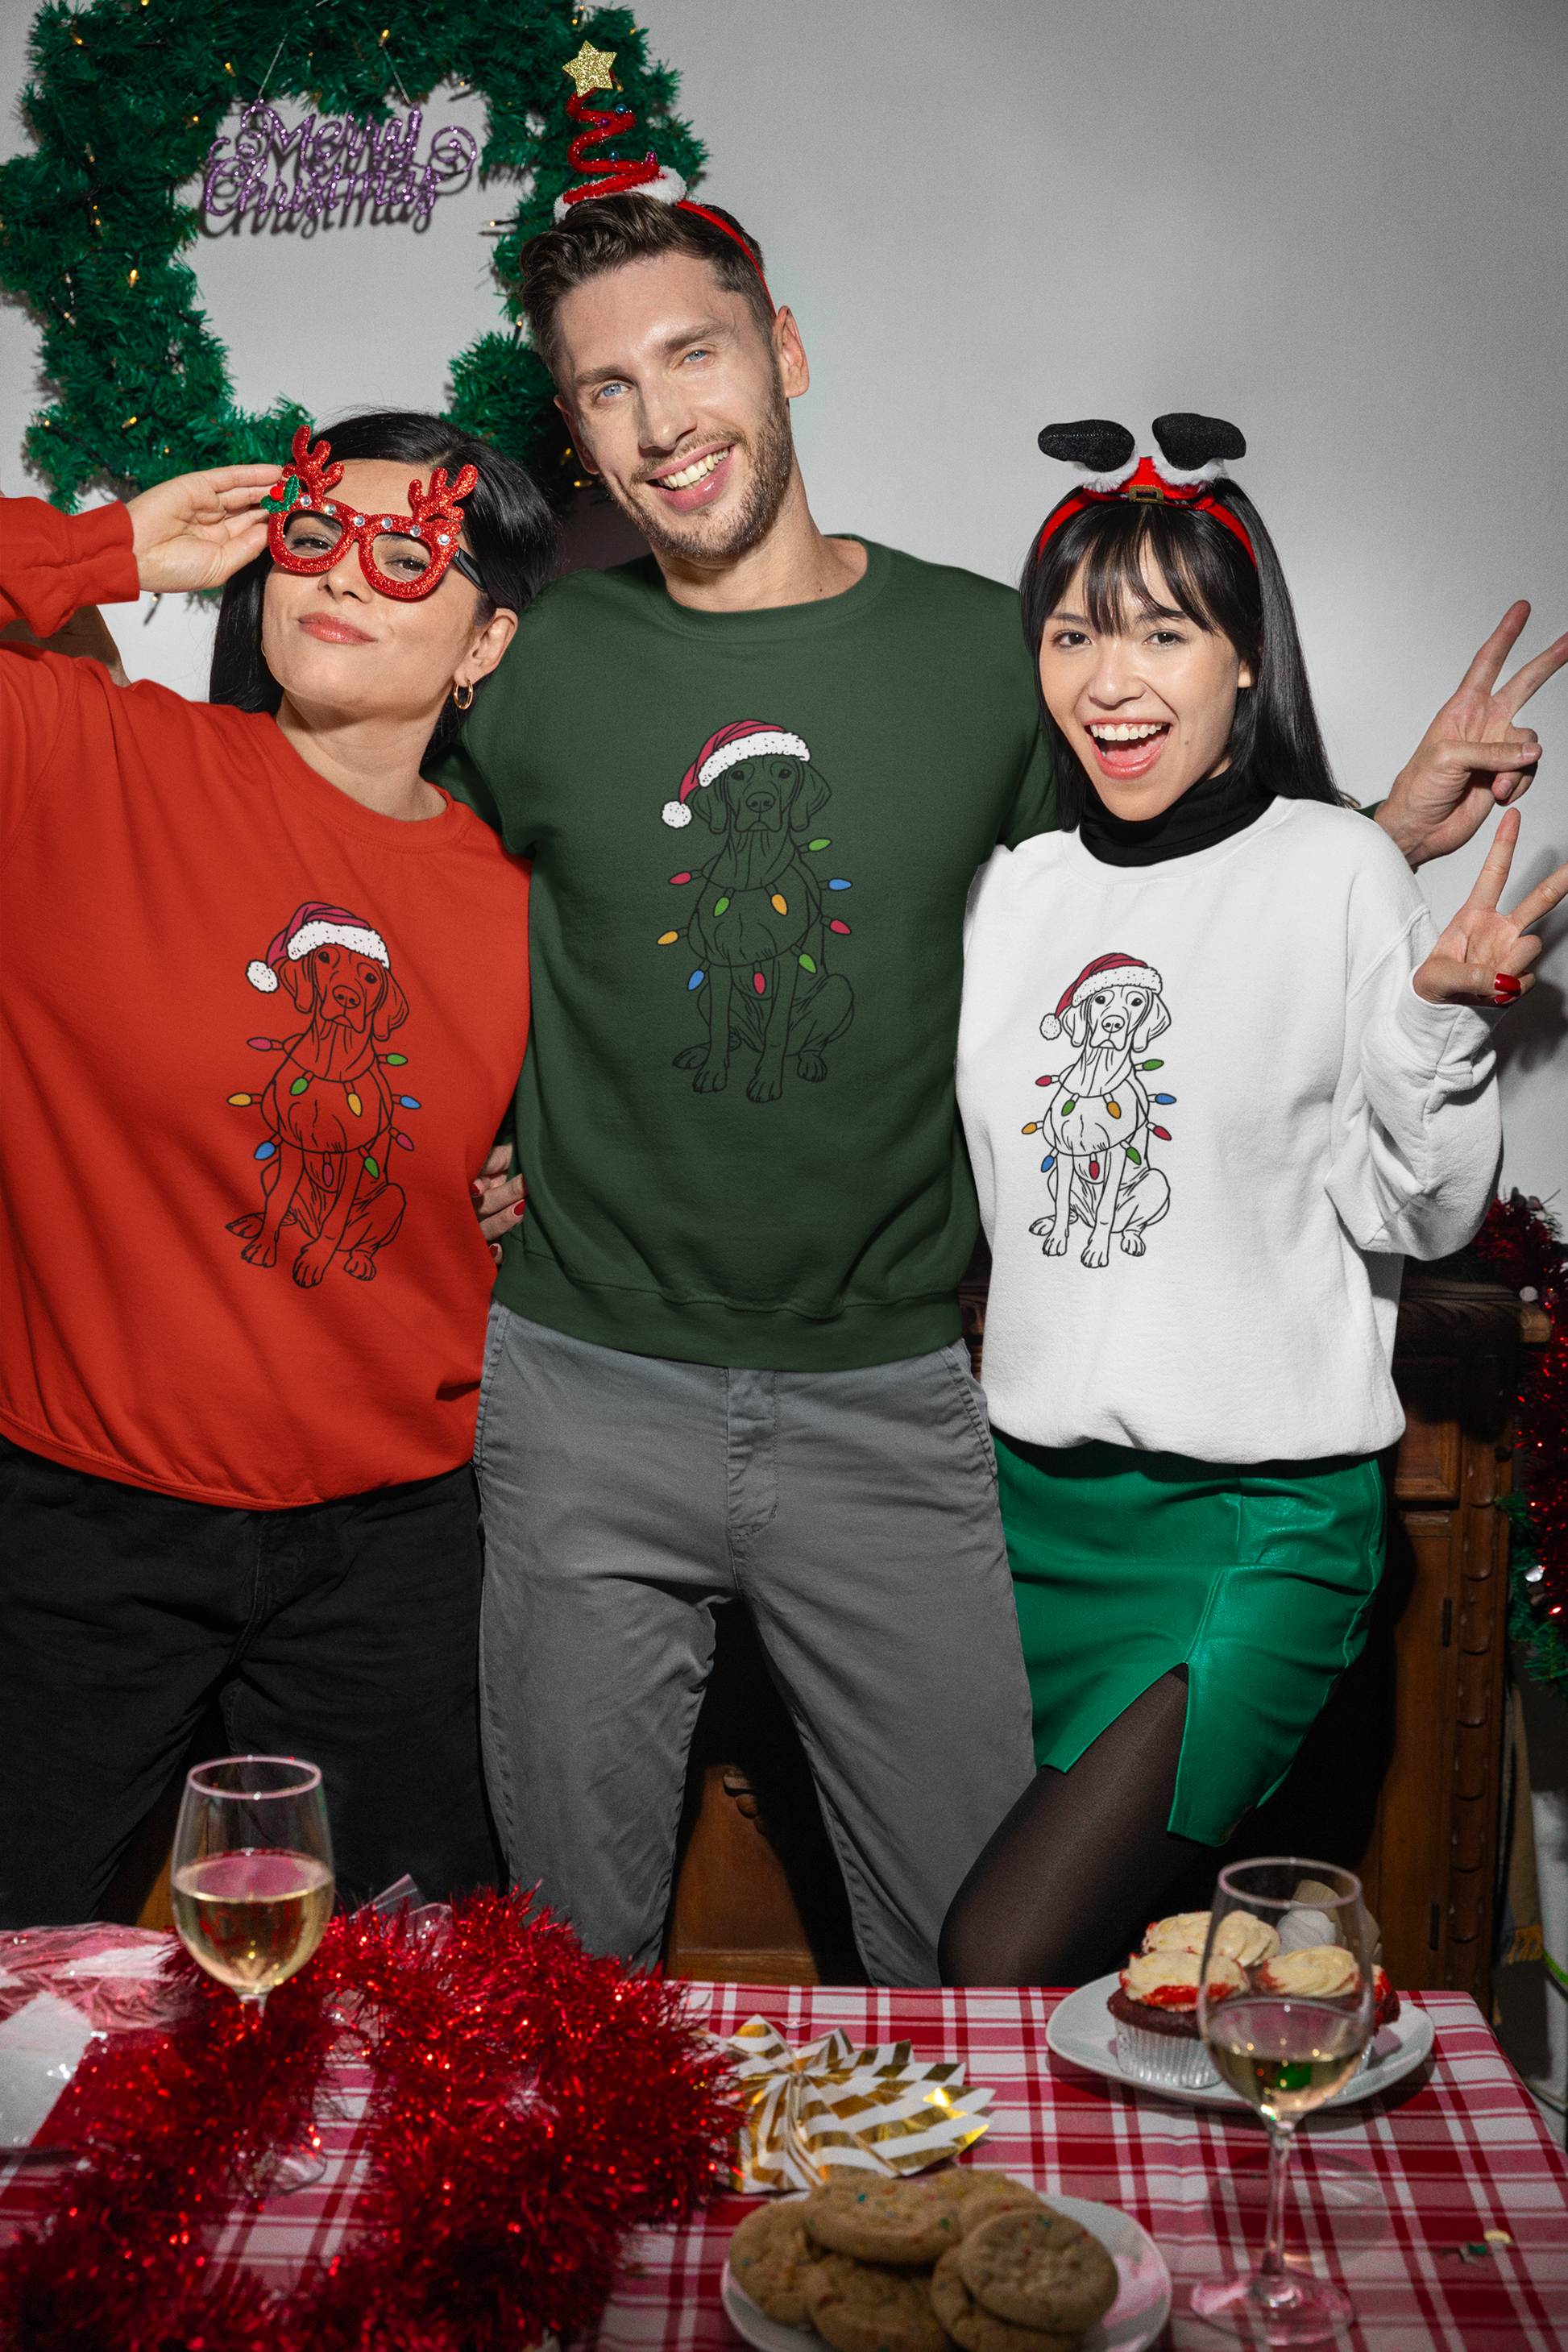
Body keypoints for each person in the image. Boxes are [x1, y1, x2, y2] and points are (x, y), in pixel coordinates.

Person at [439, 185, 1540, 1985]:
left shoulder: (990, 657)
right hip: (584, 1390)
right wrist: (461, 1138)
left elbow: (1166, 882)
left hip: (894, 1408)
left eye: (692, 355)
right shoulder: (536, 660)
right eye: (605, 390)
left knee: (983, 1981)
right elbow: (403, 895)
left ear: (781, 353)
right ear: (574, 433)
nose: (660, 421)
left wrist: (1366, 840)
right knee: (566, 1966)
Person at [939, 413, 1568, 1986]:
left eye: (1165, 629)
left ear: (1242, 659)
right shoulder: (1016, 890)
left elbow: (1415, 1219)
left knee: (1000, 1953)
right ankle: (1131, 2241)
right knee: (1113, 1987)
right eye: (1074, 633)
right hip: (1025, 1522)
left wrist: (1437, 1020)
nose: (1111, 676)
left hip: (1252, 1528)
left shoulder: (1338, 871)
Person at [0, 411, 555, 1924]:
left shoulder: (524, 899)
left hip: (394, 1552)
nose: (342, 575)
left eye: (407, 550)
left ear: (483, 642)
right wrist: (106, 549)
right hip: (82, 1529)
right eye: (315, 530)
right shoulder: (87, 757)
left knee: (421, 2013)